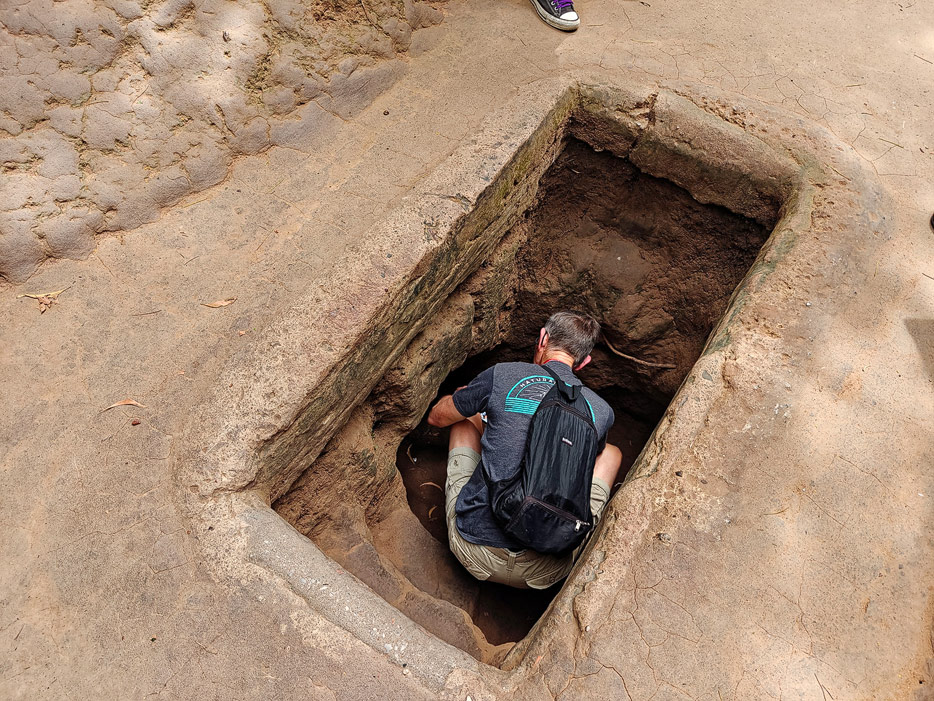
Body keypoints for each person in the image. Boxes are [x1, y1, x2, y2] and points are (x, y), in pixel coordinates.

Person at [427, 311, 622, 589]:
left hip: (475, 552)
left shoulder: (503, 374)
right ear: (584, 362)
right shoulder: (602, 411)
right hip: (545, 570)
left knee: (464, 418)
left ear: (543, 338)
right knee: (611, 453)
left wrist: (461, 398)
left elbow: (437, 418)